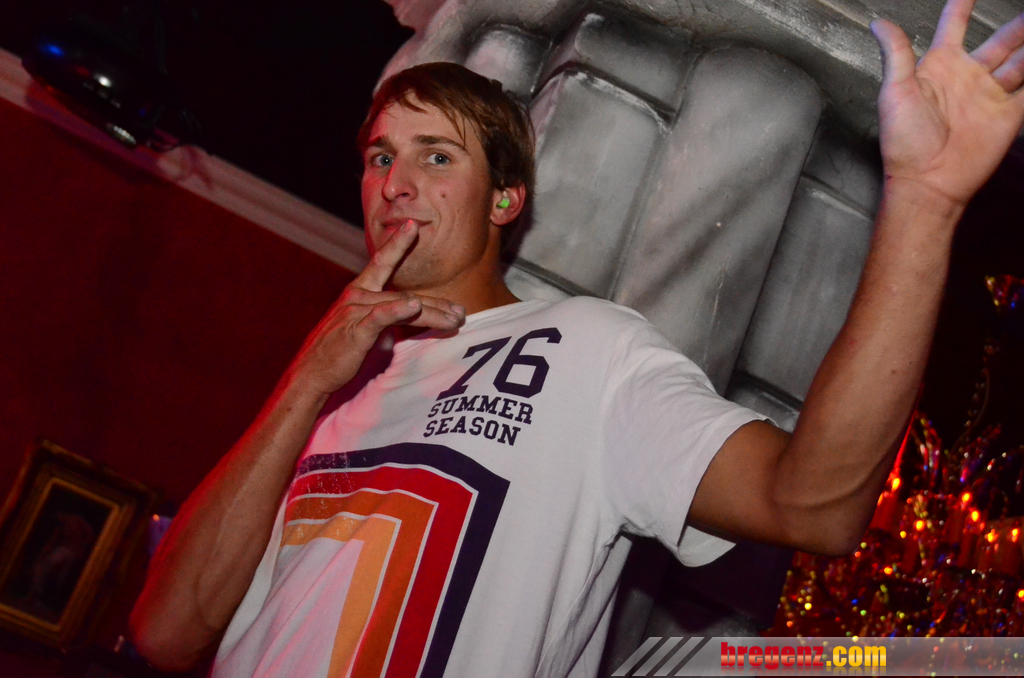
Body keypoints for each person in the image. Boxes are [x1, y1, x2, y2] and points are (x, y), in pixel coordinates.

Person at [129, 0, 1024, 674]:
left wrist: (925, 200)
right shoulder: (330, 392)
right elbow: (166, 634)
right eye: (380, 156)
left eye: (437, 156)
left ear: (505, 198)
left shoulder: (586, 350)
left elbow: (813, 506)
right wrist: (306, 383)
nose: (396, 183)